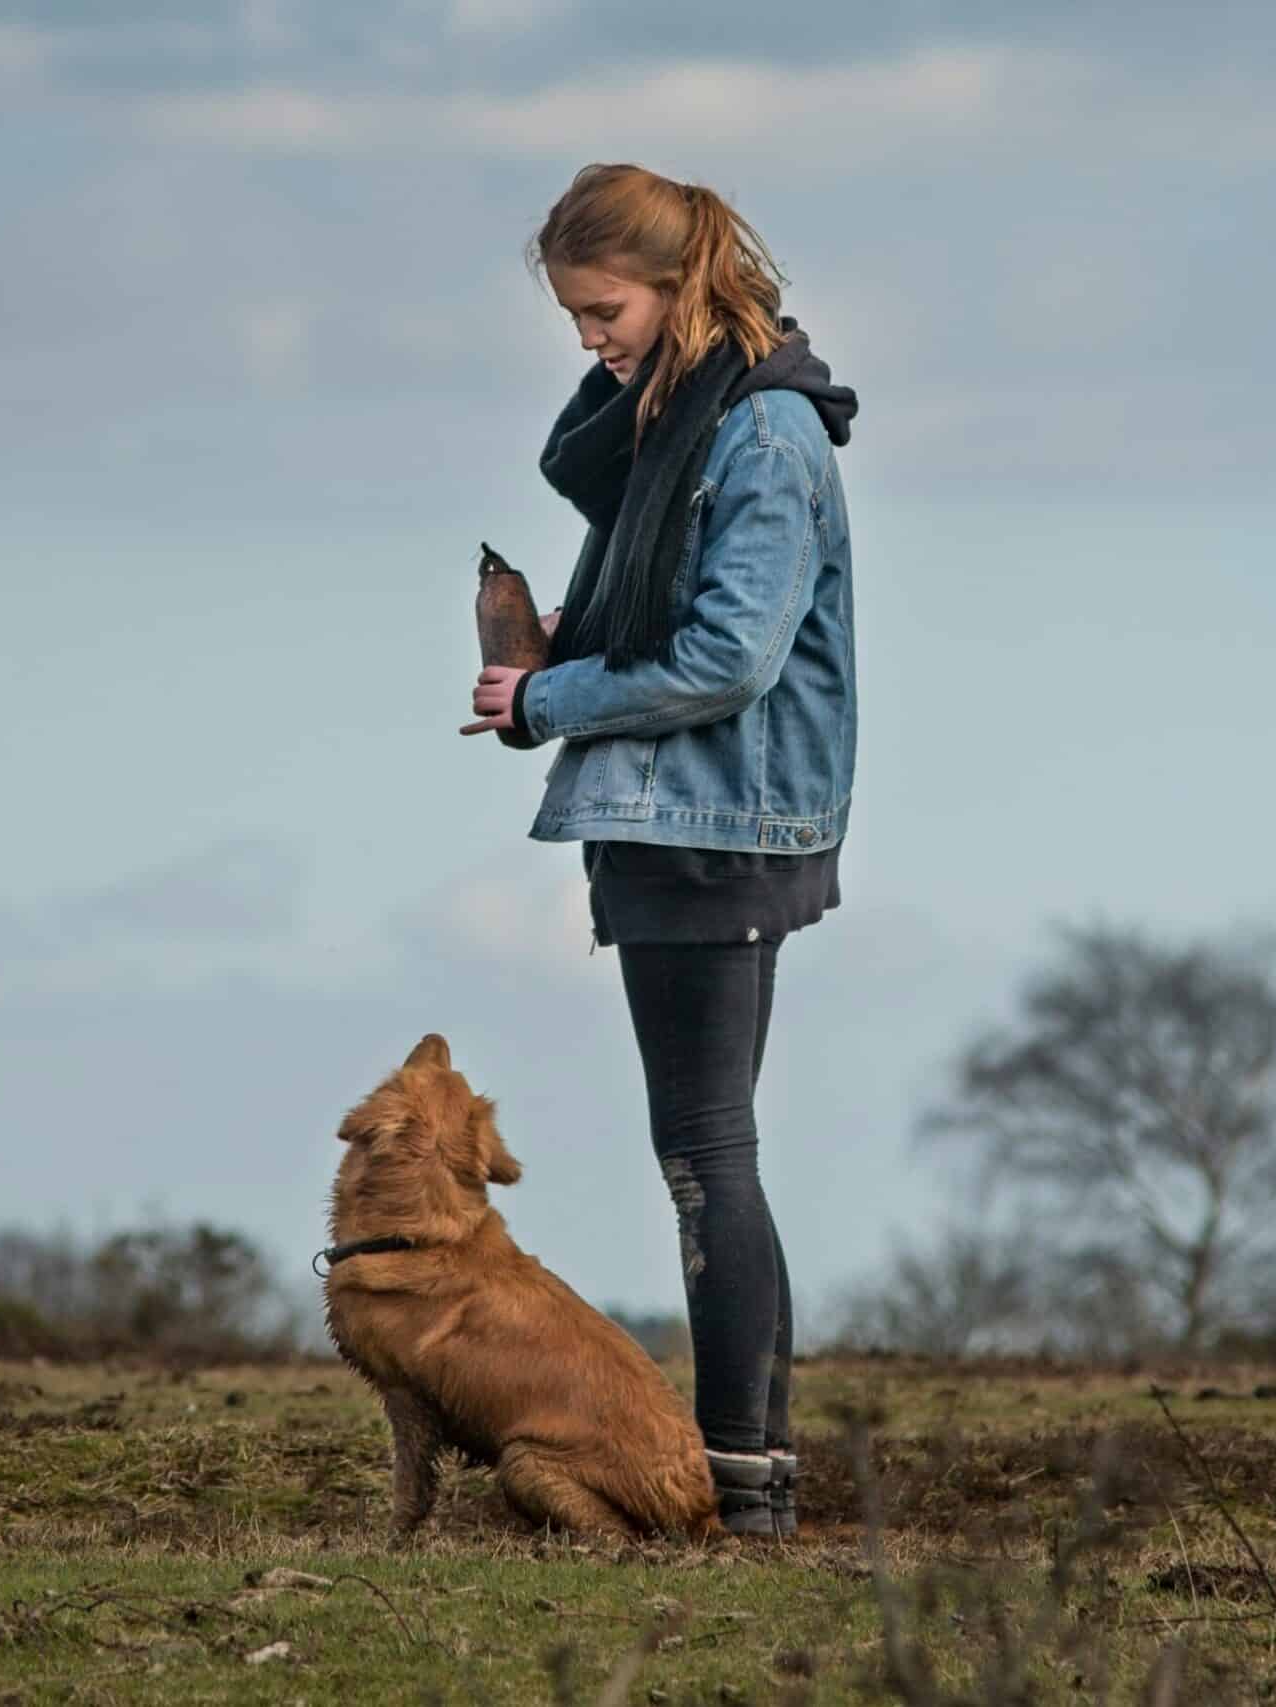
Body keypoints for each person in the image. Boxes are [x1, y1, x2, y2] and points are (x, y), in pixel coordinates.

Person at [457, 162, 858, 1539]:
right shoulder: (679, 425)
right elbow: (670, 619)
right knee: (708, 1150)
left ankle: (742, 1486)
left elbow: (729, 659)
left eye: (603, 310)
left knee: (705, 1155)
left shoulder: (759, 439)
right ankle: (753, 1477)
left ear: (682, 283)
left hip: (718, 825)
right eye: (571, 319)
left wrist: (547, 698)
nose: (589, 340)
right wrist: (558, 653)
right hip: (677, 818)